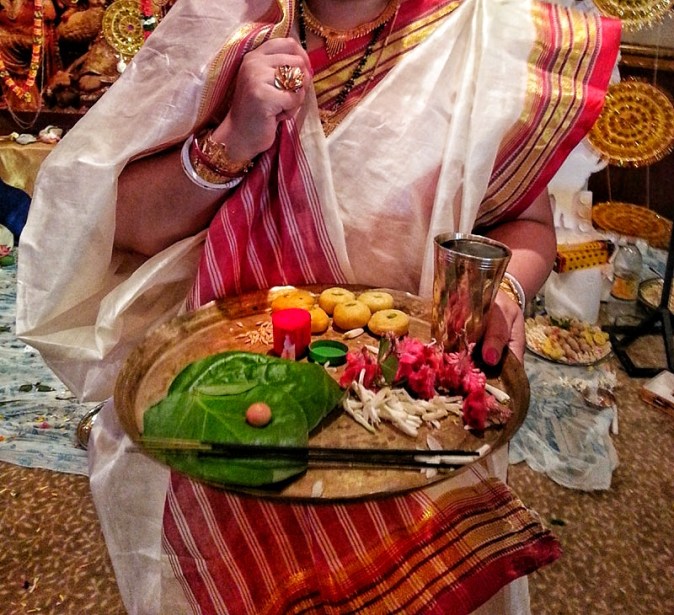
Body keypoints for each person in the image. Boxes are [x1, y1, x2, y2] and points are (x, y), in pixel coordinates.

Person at [16, 0, 621, 612]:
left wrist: (505, 292)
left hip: (407, 429)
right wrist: (229, 140)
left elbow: (527, 226)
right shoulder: (223, 24)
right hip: (226, 413)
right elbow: (119, 227)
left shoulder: (495, 37)